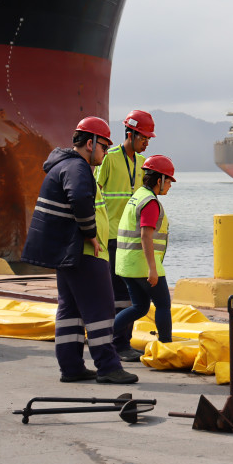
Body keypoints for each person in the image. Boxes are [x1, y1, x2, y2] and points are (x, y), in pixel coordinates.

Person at [21, 117, 137, 384]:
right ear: (90, 143)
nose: (105, 153)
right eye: (104, 147)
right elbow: (80, 198)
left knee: (70, 311)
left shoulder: (61, 166)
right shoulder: (77, 167)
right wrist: (91, 235)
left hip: (68, 253)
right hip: (84, 251)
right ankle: (108, 367)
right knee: (101, 310)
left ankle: (71, 367)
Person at [95, 110, 156, 329]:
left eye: (148, 138)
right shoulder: (109, 158)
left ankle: (121, 340)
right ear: (129, 134)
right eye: (143, 137)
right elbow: (93, 193)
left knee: (132, 294)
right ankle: (117, 342)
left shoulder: (143, 163)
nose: (146, 142)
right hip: (112, 237)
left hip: (133, 239)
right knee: (117, 292)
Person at [112, 155, 175, 361]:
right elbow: (145, 235)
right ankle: (166, 347)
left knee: (140, 307)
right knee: (163, 304)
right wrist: (152, 269)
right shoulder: (150, 202)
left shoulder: (137, 195)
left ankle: (103, 336)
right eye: (169, 181)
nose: (169, 186)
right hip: (142, 265)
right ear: (159, 180)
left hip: (127, 264)